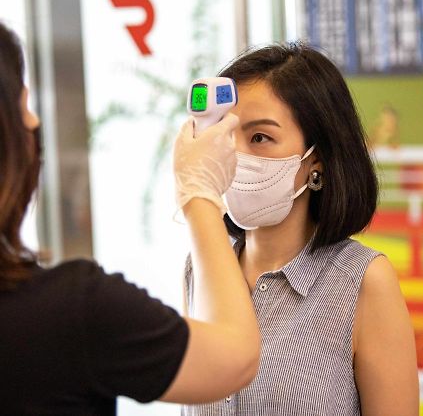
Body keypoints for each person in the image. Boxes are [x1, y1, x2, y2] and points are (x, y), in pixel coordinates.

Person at [0, 21, 261, 415]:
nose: (35, 122)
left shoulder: (358, 278)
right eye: (24, 106)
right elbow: (234, 356)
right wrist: (199, 194)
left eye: (261, 137)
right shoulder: (75, 311)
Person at [182, 42, 419, 416]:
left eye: (260, 138)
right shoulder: (201, 267)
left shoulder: (363, 281)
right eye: (227, 138)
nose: (236, 157)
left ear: (317, 161)